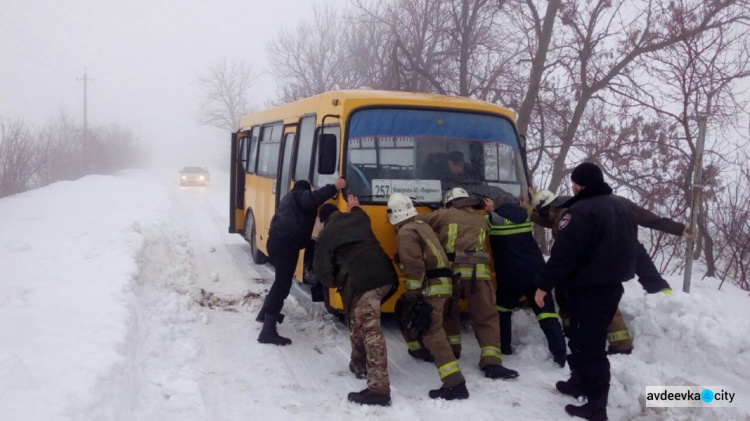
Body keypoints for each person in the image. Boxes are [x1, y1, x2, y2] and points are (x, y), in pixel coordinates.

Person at [534, 162, 638, 421]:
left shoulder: (578, 211)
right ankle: (578, 383)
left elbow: (563, 254)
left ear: (579, 185)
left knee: (591, 347)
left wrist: (544, 285)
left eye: (574, 183)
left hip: (589, 289)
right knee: (582, 341)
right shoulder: (620, 207)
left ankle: (596, 406)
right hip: (611, 287)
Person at [531, 189, 694, 354]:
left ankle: (620, 342)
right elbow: (648, 218)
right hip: (629, 249)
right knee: (650, 282)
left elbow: (564, 245)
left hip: (605, 257)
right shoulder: (610, 203)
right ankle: (668, 306)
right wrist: (678, 229)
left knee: (600, 296)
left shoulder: (572, 212)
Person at [417, 187, 520, 380]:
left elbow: (416, 223)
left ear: (450, 202)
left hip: (452, 272)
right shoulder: (481, 217)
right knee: (486, 316)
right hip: (479, 274)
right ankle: (491, 361)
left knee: (449, 312)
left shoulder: (444, 214)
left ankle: (453, 349)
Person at [313, 196, 398, 406]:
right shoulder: (358, 219)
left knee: (371, 330)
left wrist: (336, 281)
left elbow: (322, 272)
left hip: (364, 283)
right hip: (387, 277)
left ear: (323, 221)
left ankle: (379, 390)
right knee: (355, 317)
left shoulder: (326, 234)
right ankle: (359, 363)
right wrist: (355, 207)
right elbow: (360, 213)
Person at [387, 192, 469, 401]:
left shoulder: (405, 232)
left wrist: (413, 295)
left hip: (432, 286)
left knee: (431, 329)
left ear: (393, 214)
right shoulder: (422, 226)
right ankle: (419, 351)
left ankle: (454, 383)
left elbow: (414, 267)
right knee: (412, 315)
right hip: (445, 282)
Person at [256, 177, 346, 346]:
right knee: (282, 285)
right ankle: (267, 332)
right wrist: (334, 187)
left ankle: (264, 314)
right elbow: (312, 198)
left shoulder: (287, 200)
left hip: (276, 242)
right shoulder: (299, 196)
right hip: (285, 244)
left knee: (280, 283)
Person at [484, 194, 567, 367]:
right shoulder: (524, 216)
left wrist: (489, 211)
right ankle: (560, 353)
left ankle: (504, 347)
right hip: (537, 273)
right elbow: (523, 212)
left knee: (502, 310)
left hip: (511, 276)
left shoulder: (494, 219)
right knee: (547, 313)